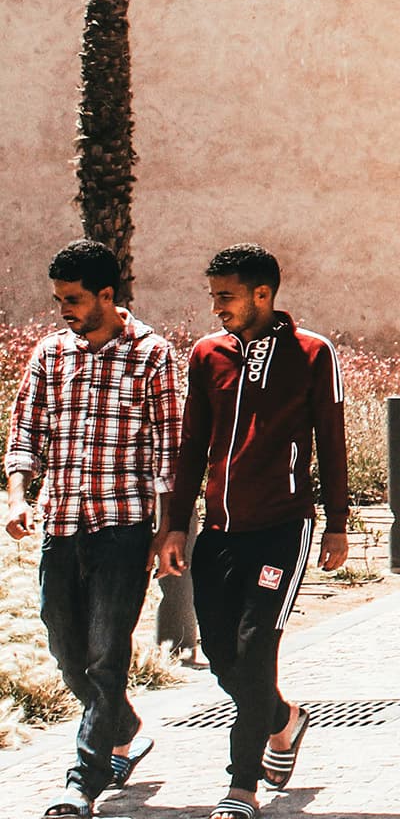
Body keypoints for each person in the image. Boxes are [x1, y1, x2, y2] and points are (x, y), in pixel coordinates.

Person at [153, 245, 349, 819]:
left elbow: (331, 442)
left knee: (255, 645)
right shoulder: (207, 354)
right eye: (214, 295)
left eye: (226, 296)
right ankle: (282, 720)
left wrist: (336, 523)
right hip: (218, 531)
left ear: (263, 294)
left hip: (282, 529)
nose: (216, 307)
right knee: (219, 651)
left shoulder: (312, 352)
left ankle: (241, 786)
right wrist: (174, 526)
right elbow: (191, 446)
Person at [7, 241, 180, 819]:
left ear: (108, 294)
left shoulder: (152, 354)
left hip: (121, 528)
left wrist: (165, 530)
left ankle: (82, 781)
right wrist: (18, 496)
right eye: (58, 299)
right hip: (61, 524)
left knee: (106, 656)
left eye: (74, 299)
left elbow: (170, 450)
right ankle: (125, 724)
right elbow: (25, 433)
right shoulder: (51, 353)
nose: (64, 309)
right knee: (64, 646)